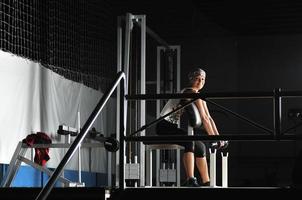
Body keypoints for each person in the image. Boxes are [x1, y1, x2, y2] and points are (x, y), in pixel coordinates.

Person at [156, 67, 226, 187]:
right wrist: (213, 138)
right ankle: (190, 179)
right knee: (190, 141)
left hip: (172, 127)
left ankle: (206, 181)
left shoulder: (198, 95)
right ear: (191, 80)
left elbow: (209, 118)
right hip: (163, 126)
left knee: (201, 146)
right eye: (197, 79)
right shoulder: (188, 92)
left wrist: (218, 137)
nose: (200, 82)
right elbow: (203, 118)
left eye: (203, 79)